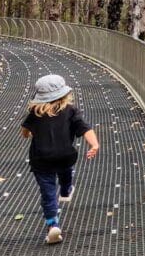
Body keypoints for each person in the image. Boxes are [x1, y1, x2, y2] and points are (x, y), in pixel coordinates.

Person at [20, 74, 100, 244]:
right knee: (65, 173)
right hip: (65, 155)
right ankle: (65, 190)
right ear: (65, 95)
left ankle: (52, 225)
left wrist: (30, 133)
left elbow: (25, 131)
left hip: (41, 159)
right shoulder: (71, 111)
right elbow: (85, 128)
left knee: (48, 193)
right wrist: (94, 145)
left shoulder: (35, 112)